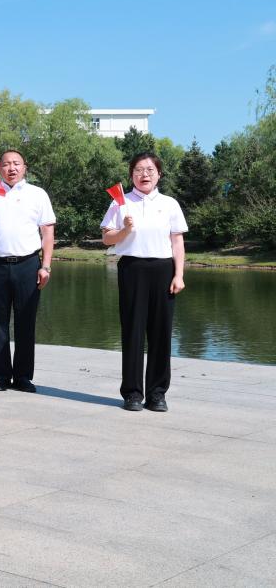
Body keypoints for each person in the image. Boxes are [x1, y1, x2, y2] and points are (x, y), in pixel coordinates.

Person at [101, 152, 187, 412]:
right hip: (132, 268)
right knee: (133, 331)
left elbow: (177, 241)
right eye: (138, 170)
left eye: (150, 169)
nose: (144, 174)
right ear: (131, 175)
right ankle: (132, 393)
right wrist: (125, 229)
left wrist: (179, 274)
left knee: (161, 333)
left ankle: (157, 394)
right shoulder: (121, 202)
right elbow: (107, 238)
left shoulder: (169, 203)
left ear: (159, 174)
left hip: (163, 268)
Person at [0, 150, 55, 393]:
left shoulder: (37, 194)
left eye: (16, 163)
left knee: (26, 322)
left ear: (25, 167)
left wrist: (46, 266)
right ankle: (1, 376)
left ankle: (23, 376)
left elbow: (47, 232)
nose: (11, 168)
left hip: (28, 264)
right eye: (6, 164)